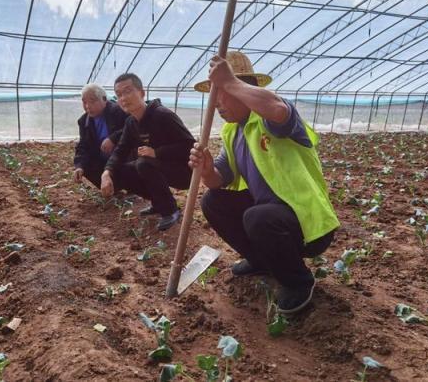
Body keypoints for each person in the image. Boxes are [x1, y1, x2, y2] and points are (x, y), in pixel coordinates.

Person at [188, 51, 340, 314]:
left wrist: (229, 81)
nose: (216, 104)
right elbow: (218, 181)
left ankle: (298, 283)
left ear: (242, 87)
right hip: (272, 218)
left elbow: (278, 110)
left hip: (309, 225)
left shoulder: (270, 118)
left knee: (259, 217)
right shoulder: (233, 131)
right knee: (213, 202)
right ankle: (261, 260)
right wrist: (206, 169)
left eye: (220, 93)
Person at [101, 73, 195, 231]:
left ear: (142, 93)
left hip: (183, 172)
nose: (123, 98)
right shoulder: (131, 122)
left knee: (144, 163)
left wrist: (157, 152)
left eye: (128, 91)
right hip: (158, 167)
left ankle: (170, 210)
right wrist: (106, 172)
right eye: (118, 95)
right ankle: (159, 203)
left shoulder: (163, 115)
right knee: (120, 170)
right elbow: (121, 150)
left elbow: (189, 145)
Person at [73, 83, 128, 188]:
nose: (88, 106)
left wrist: (113, 138)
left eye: (92, 101)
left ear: (104, 99)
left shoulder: (118, 111)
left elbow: (131, 129)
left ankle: (128, 185)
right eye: (84, 102)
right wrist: (79, 166)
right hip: (102, 161)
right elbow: (83, 145)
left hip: (122, 158)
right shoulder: (84, 121)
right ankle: (111, 187)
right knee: (85, 165)